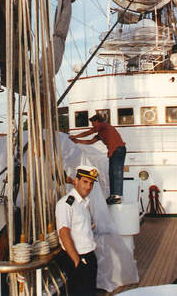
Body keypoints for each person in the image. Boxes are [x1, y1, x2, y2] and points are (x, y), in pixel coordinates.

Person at [55, 165, 98, 296]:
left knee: (90, 292)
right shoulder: (66, 204)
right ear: (76, 181)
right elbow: (64, 233)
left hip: (89, 256)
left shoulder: (83, 203)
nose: (88, 187)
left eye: (91, 183)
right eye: (85, 181)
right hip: (77, 258)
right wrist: (77, 262)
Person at [69, 115, 126, 204]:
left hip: (118, 150)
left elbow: (89, 132)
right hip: (113, 151)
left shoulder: (104, 125)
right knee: (111, 173)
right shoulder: (101, 133)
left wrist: (75, 136)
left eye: (93, 123)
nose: (92, 125)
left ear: (98, 121)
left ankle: (117, 196)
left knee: (116, 172)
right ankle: (113, 195)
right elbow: (90, 141)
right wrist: (77, 141)